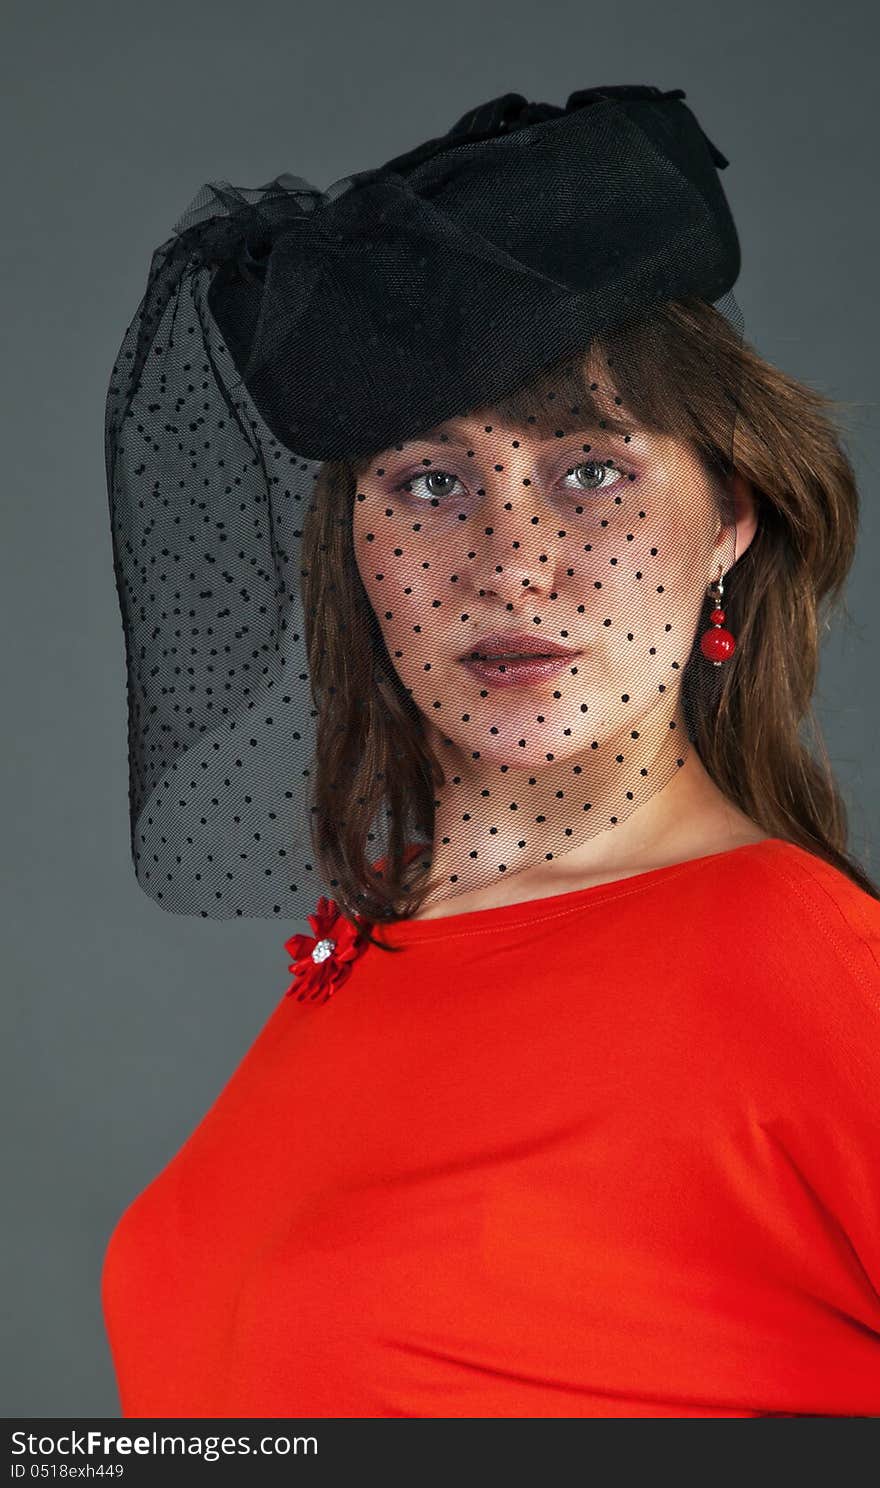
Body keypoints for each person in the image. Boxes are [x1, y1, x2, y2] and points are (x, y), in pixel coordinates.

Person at [101, 85, 880, 1417]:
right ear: (351, 548)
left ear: (732, 516)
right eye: (426, 483)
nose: (510, 561)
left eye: (591, 472)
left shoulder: (807, 970)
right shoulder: (375, 952)